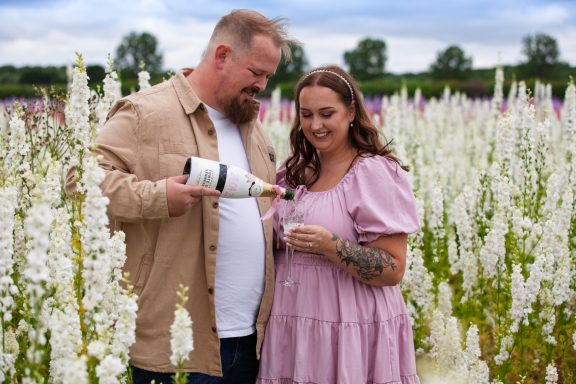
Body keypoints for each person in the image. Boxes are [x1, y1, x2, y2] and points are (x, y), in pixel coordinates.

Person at [88, 9, 298, 384]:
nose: (263, 86)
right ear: (222, 56)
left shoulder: (252, 125)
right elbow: (82, 180)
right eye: (256, 73)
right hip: (175, 347)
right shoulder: (145, 112)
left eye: (268, 76)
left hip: (251, 342)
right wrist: (157, 197)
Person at [257, 66, 421, 384]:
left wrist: (329, 245)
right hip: (293, 323)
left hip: (350, 324)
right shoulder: (291, 171)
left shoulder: (372, 172)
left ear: (351, 112)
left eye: (326, 113)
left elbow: (393, 268)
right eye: (306, 115)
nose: (315, 125)